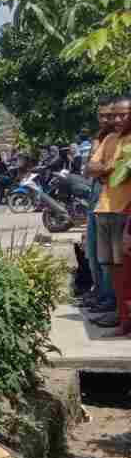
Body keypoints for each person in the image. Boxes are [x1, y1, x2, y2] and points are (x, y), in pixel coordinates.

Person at [87, 95, 131, 330]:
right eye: (113, 115)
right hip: (104, 209)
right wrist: (109, 168)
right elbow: (91, 167)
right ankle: (119, 314)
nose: (116, 119)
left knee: (125, 271)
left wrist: (105, 171)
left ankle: (124, 318)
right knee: (111, 268)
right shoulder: (110, 139)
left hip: (124, 212)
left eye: (123, 114)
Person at [81, 97, 121, 317]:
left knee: (113, 259)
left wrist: (104, 169)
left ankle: (110, 300)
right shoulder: (105, 139)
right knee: (98, 252)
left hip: (115, 203)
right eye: (104, 115)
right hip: (99, 198)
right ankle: (103, 294)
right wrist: (104, 168)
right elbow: (91, 167)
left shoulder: (118, 139)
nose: (109, 119)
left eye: (113, 115)